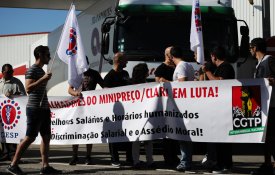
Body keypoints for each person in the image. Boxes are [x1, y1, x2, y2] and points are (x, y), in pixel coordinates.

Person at [6, 45, 61, 175]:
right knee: (30, 138)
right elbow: (28, 89)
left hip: (43, 109)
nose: (49, 57)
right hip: (34, 109)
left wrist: (47, 107)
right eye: (47, 55)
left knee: (46, 137)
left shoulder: (41, 71)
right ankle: (13, 165)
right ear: (40, 55)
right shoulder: (32, 70)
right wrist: (43, 79)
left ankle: (45, 166)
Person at [202, 46, 235, 174]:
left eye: (211, 57)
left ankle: (225, 165)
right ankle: (220, 163)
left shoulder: (226, 67)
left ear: (214, 56)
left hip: (225, 108)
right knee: (219, 139)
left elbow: (219, 82)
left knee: (224, 140)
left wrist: (208, 72)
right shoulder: (218, 68)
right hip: (219, 108)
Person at [68, 57, 104, 165]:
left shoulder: (94, 73)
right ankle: (75, 156)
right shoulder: (75, 74)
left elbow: (104, 86)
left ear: (87, 63)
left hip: (90, 106)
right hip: (77, 106)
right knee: (76, 131)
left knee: (89, 131)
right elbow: (69, 89)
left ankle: (88, 156)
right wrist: (76, 94)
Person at [249, 37, 275, 175]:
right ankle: (267, 164)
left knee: (270, 136)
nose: (250, 51)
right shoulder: (258, 63)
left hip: (272, 105)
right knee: (265, 137)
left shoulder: (269, 60)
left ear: (255, 48)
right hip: (263, 106)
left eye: (250, 48)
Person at [103, 52, 132, 167]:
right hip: (114, 113)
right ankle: (114, 159)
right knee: (114, 135)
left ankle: (129, 158)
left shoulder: (125, 73)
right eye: (125, 60)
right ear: (119, 61)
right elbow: (106, 96)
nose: (127, 62)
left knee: (129, 134)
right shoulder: (109, 77)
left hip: (127, 112)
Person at [168, 46, 195, 172]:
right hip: (185, 104)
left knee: (182, 134)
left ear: (171, 57)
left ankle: (185, 161)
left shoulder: (181, 66)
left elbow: (182, 84)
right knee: (184, 135)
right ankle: (186, 160)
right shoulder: (188, 64)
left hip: (182, 105)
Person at [154, 46, 179, 166]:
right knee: (168, 133)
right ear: (166, 55)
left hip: (177, 104)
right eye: (170, 54)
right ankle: (169, 158)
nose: (172, 56)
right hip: (166, 105)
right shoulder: (160, 68)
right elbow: (158, 83)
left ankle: (174, 156)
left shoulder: (177, 67)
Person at [0, 64, 26, 161]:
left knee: (13, 133)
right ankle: (5, 153)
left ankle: (12, 154)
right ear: (3, 72)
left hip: (13, 113)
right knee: (3, 134)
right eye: (8, 72)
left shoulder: (17, 82)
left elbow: (24, 96)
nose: (11, 73)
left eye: (12, 71)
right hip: (1, 114)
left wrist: (14, 95)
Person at [131, 63, 154, 169]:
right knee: (138, 139)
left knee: (146, 139)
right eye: (146, 70)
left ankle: (146, 161)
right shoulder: (133, 86)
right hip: (136, 116)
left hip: (144, 116)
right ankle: (139, 161)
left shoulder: (147, 84)